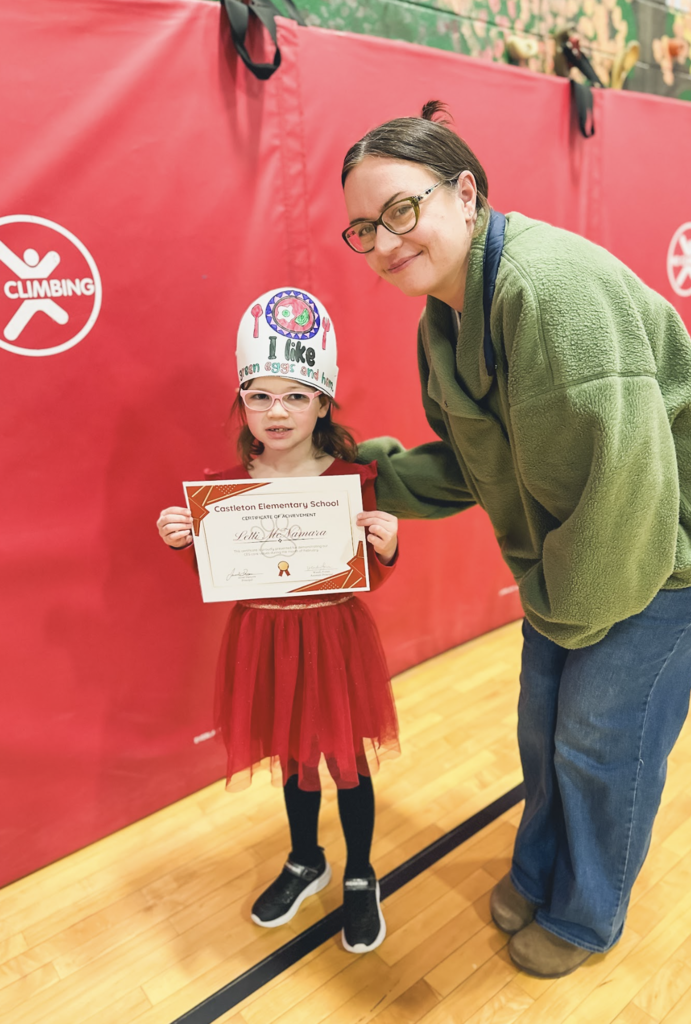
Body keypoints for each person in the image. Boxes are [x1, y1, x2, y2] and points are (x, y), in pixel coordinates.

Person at [340, 103, 691, 978]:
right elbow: (474, 462)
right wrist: (368, 484)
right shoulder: (446, 318)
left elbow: (626, 493)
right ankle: (536, 870)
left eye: (400, 210)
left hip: (679, 541)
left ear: (465, 193)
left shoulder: (550, 290)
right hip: (585, 549)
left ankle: (585, 913)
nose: (384, 242)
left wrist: (560, 619)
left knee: (601, 735)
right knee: (544, 727)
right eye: (363, 228)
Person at [156, 288, 400, 954]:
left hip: (332, 637)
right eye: (260, 397)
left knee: (347, 760)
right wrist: (187, 542)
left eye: (294, 395)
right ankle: (304, 859)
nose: (277, 411)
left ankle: (358, 872)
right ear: (243, 406)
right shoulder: (226, 487)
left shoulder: (352, 478)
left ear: (322, 402)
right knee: (295, 759)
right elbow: (225, 577)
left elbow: (367, 574)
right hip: (264, 640)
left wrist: (387, 545)